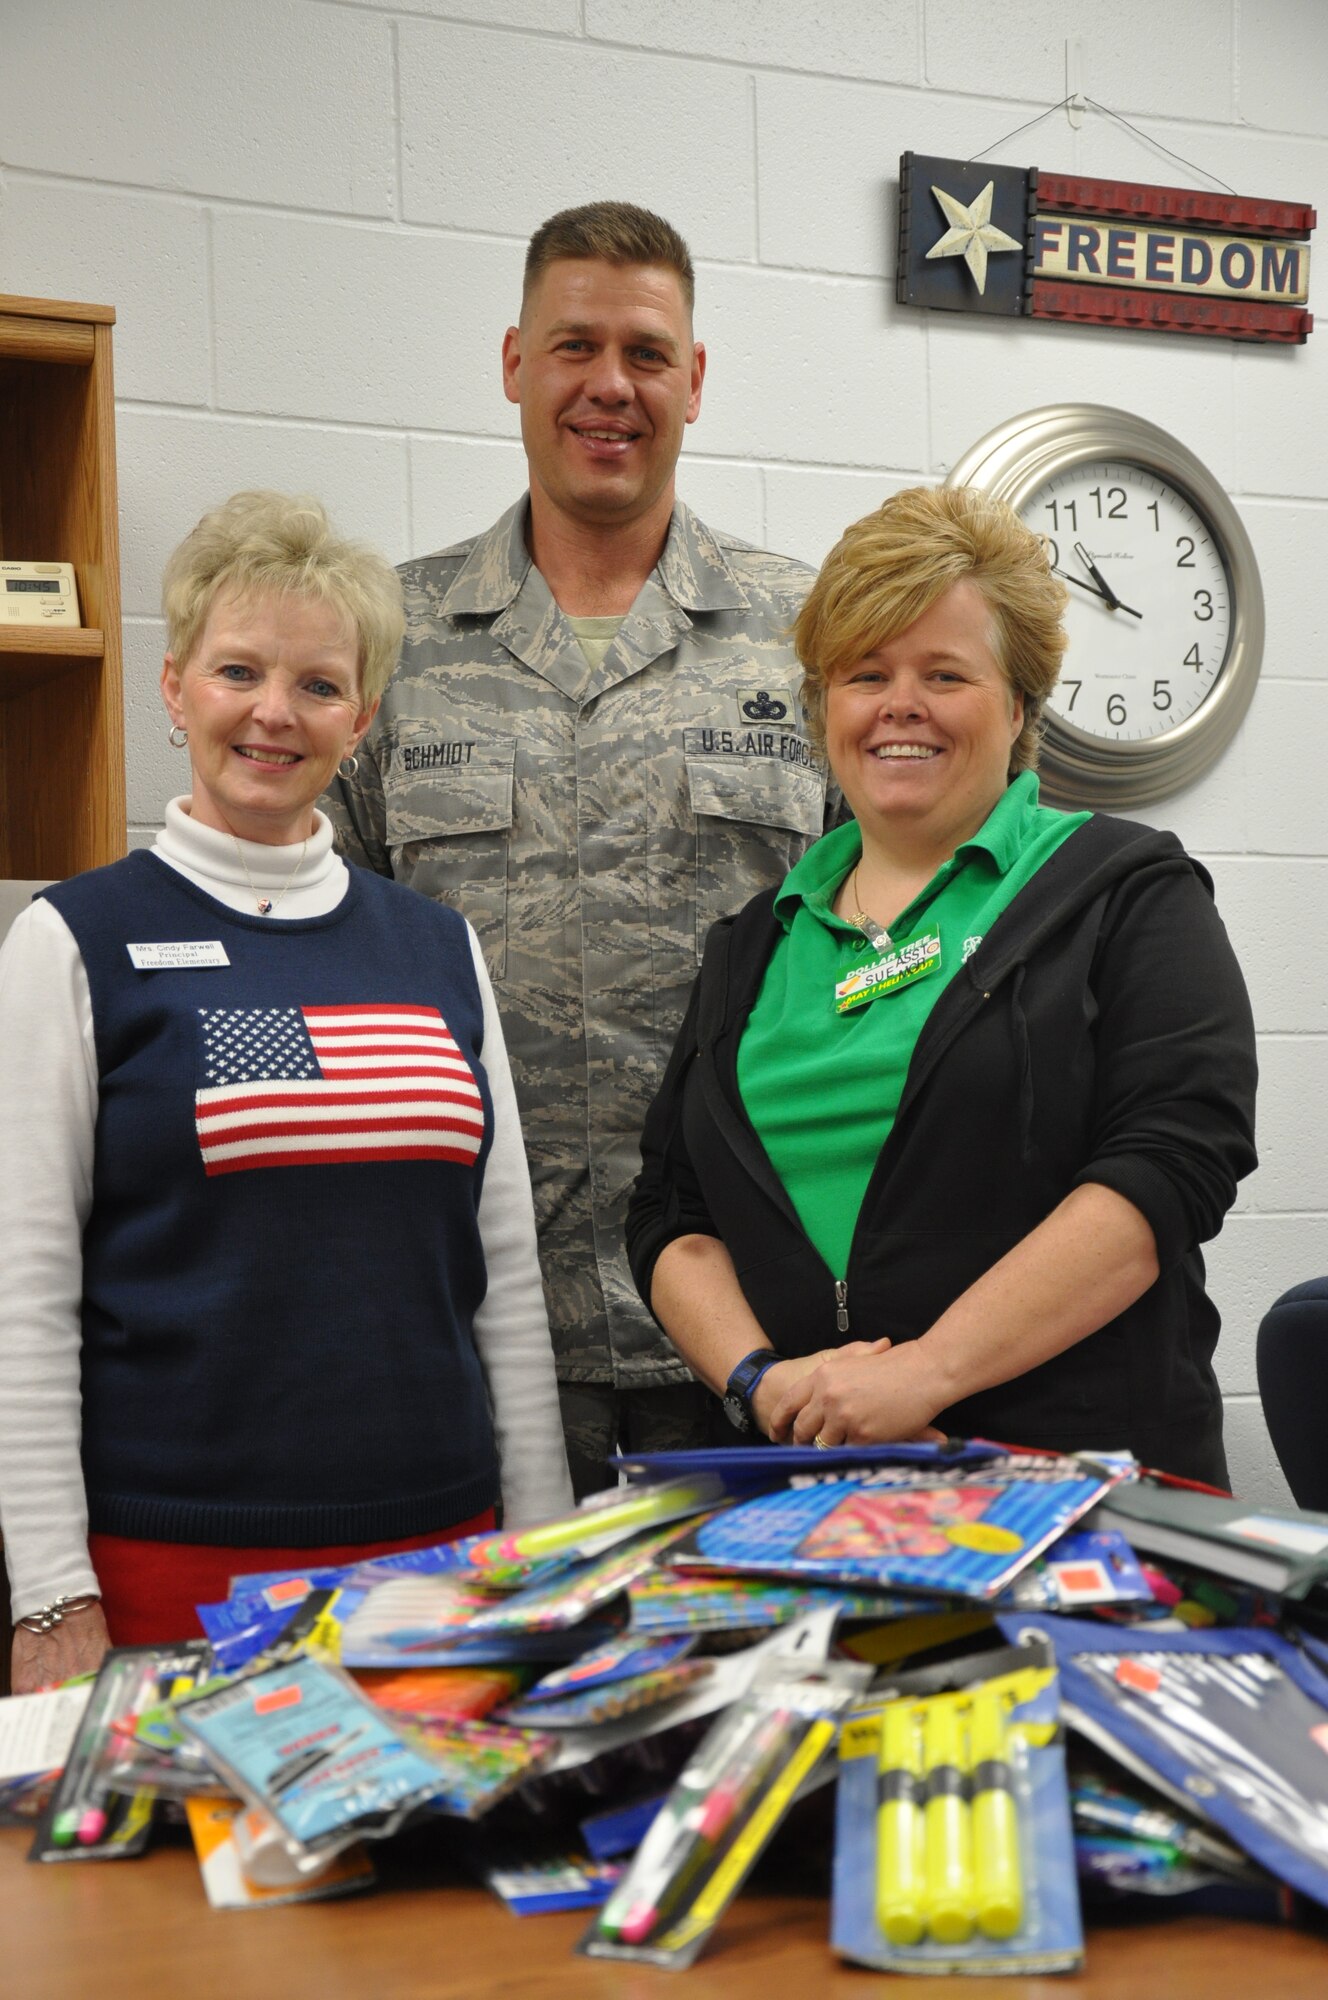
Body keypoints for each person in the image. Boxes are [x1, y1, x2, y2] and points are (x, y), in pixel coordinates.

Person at [0, 491, 571, 1695]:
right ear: (173, 687)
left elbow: (504, 1275)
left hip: (438, 1556)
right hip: (171, 1570)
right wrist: (52, 1590)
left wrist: (539, 1552)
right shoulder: (73, 940)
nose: (273, 711)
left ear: (361, 716)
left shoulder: (434, 947)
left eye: (316, 684)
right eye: (237, 670)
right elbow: (25, 1296)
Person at [328, 201, 839, 1498]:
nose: (611, 385)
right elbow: (317, 976)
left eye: (647, 353)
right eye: (574, 347)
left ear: (696, 379)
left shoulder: (819, 637)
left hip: (760, 1345)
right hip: (476, 1335)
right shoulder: (390, 641)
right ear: (514, 363)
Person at [626, 485, 1257, 1488]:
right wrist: (761, 1380)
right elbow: (669, 1208)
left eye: (944, 672)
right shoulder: (750, 944)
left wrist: (922, 1373)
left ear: (1016, 704)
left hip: (1074, 1490)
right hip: (806, 1489)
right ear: (822, 707)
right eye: (863, 672)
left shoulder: (1125, 890)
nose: (897, 704)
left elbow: (1169, 1163)